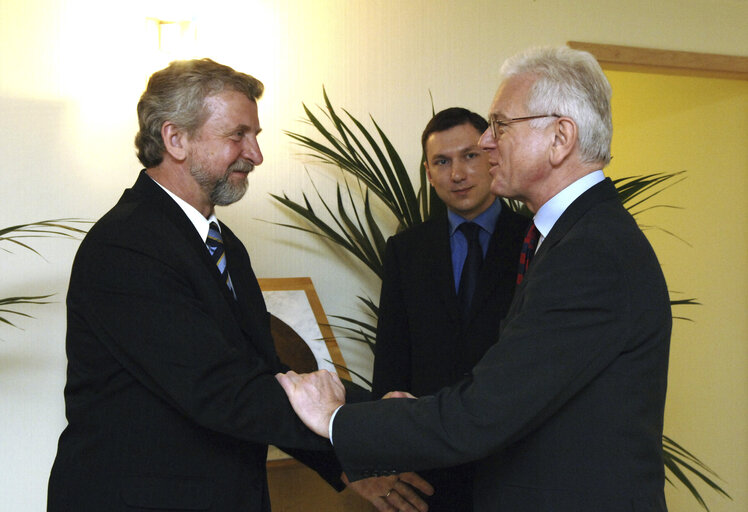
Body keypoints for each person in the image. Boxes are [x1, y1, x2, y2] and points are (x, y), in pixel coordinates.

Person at [276, 45, 672, 511]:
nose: (486, 143)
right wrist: (400, 413)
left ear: (560, 138)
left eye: (500, 125)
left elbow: (484, 411)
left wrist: (335, 419)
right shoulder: (575, 237)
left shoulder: (590, 253)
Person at [46, 58, 431, 512]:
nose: (256, 154)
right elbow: (221, 390)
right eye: (237, 136)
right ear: (175, 139)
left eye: (256, 136)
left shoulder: (224, 244)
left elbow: (266, 372)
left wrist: (348, 460)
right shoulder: (127, 246)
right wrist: (364, 428)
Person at [369, 107, 527, 510]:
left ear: (492, 156)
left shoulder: (534, 240)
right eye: (442, 161)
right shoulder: (405, 251)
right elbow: (391, 357)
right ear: (428, 172)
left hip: (515, 460)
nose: (457, 173)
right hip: (427, 467)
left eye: (469, 156)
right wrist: (384, 455)